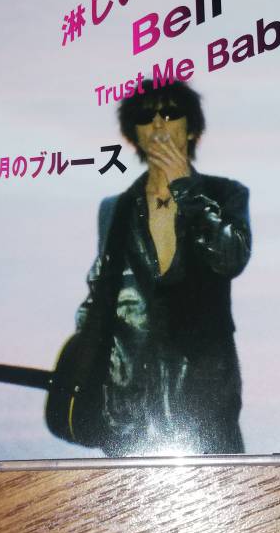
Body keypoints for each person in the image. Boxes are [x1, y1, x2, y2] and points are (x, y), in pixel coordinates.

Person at [76, 80, 251, 456]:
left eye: (171, 113)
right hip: (129, 399)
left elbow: (231, 257)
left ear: (192, 130)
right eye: (145, 116)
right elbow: (100, 291)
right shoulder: (115, 209)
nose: (157, 124)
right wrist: (87, 362)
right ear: (134, 135)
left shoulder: (226, 194)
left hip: (204, 393)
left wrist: (187, 191)